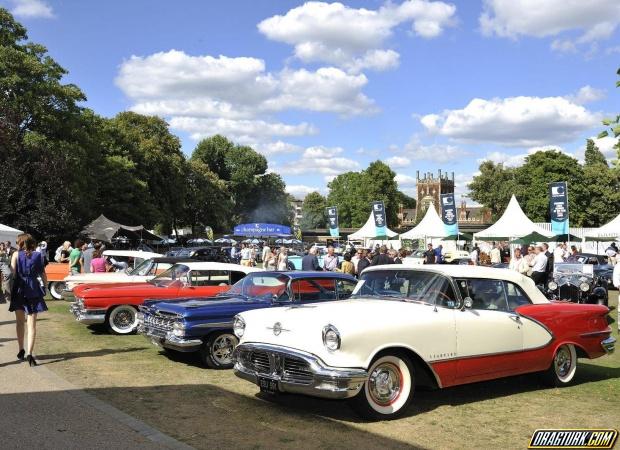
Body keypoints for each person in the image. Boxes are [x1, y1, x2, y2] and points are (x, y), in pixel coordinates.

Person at [10, 234, 47, 366]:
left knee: (20, 322)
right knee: (32, 324)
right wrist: (46, 287)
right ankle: (30, 354)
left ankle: (21, 350)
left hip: (19, 288)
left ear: (20, 242)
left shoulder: (15, 255)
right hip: (33, 289)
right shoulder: (38, 255)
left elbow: (13, 273)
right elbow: (42, 273)